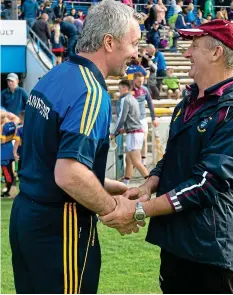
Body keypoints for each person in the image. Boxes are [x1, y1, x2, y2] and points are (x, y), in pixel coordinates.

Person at [100, 19, 233, 294]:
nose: (186, 53)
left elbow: (206, 183)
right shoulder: (188, 102)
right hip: (175, 241)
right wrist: (147, 185)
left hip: (209, 249)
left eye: (194, 46)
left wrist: (139, 211)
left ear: (216, 53)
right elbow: (172, 158)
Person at [9, 1, 143, 293]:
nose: (136, 53)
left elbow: (50, 159)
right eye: (133, 43)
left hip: (26, 216)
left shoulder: (55, 76)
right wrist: (114, 210)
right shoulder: (91, 92)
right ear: (109, 42)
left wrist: (110, 186)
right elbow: (68, 174)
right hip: (61, 225)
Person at [112, 80, 149, 184]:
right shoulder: (133, 99)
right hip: (135, 132)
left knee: (136, 162)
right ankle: (125, 183)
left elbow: (121, 118)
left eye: (120, 88)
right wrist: (125, 128)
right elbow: (132, 117)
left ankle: (151, 183)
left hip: (134, 134)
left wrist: (113, 133)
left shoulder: (125, 99)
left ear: (125, 88)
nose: (119, 90)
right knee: (128, 160)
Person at [132, 72, 158, 166]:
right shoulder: (130, 90)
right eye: (139, 81)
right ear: (134, 80)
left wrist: (153, 118)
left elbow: (150, 104)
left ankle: (143, 161)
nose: (141, 83)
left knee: (144, 139)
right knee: (135, 141)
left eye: (142, 81)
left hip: (142, 118)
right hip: (132, 120)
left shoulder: (145, 89)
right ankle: (136, 161)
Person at [1, 108, 19, 198]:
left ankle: (9, 190)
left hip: (3, 153)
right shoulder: (11, 125)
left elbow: (2, 141)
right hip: (10, 150)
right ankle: (9, 189)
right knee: (9, 172)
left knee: (6, 172)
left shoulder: (2, 128)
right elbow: (16, 118)